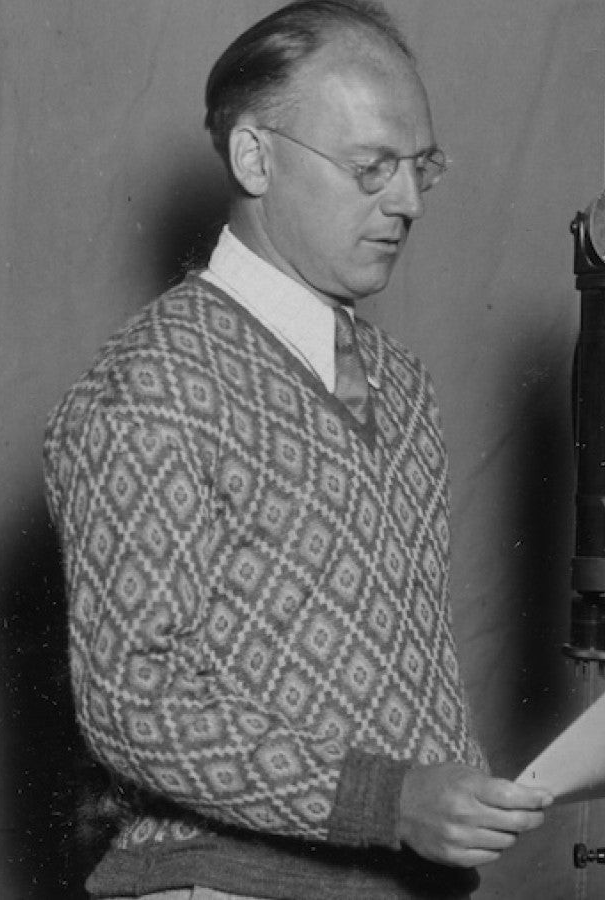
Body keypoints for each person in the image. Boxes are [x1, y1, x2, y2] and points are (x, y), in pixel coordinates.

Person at [42, 3, 553, 898]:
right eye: (371, 167)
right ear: (254, 157)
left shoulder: (401, 382)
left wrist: (443, 805)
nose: (408, 201)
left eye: (421, 166)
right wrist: (391, 800)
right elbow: (133, 699)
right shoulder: (152, 383)